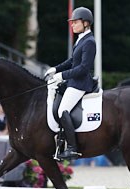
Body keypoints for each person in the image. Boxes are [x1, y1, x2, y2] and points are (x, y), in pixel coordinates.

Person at [45, 7, 96, 160]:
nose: (72, 25)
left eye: (75, 22)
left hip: (80, 84)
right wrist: (55, 69)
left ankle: (73, 148)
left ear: (86, 23)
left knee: (63, 111)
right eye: (72, 22)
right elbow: (72, 61)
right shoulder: (81, 39)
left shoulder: (90, 42)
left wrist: (62, 75)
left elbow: (83, 68)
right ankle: (59, 141)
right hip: (73, 81)